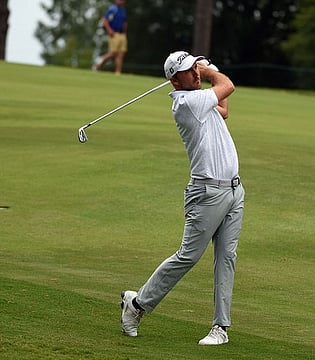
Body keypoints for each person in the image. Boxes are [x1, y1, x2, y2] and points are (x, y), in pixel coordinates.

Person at [120, 51, 245, 346]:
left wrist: (208, 72)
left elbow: (224, 108)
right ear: (175, 81)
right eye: (191, 70)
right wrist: (212, 70)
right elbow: (227, 87)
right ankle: (137, 305)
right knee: (188, 256)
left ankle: (220, 328)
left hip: (234, 190)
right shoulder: (186, 103)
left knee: (227, 258)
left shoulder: (202, 100)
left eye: (196, 68)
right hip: (207, 194)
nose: (197, 73)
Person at [93, 0, 128, 75]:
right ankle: (98, 66)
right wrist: (109, 30)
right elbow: (104, 20)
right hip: (114, 34)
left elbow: (125, 22)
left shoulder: (123, 10)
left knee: (121, 53)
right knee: (113, 53)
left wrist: (125, 32)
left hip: (122, 34)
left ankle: (118, 72)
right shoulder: (112, 9)